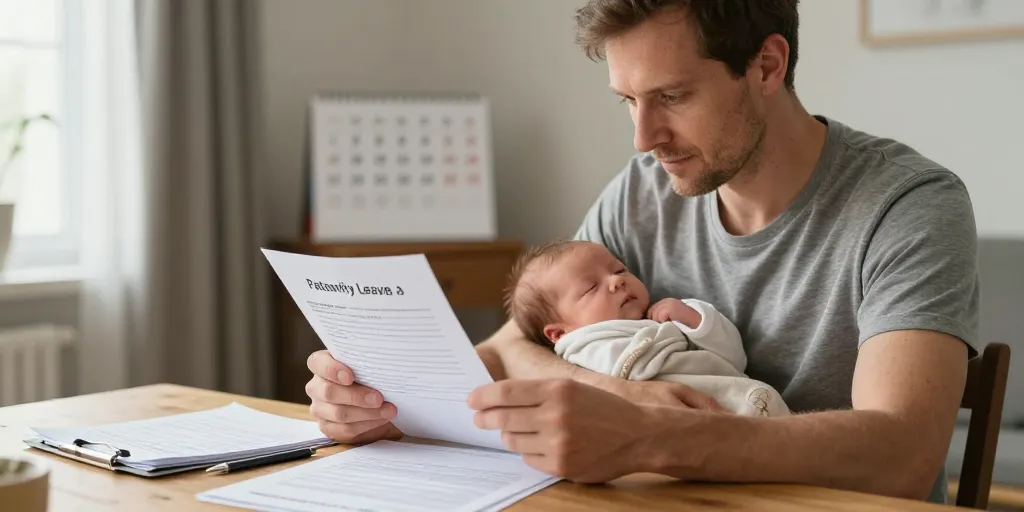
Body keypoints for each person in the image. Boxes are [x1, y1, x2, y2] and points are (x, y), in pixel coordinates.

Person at [304, 0, 977, 504]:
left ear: (767, 65)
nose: (643, 137)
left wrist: (650, 434)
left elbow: (904, 454)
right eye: (628, 100)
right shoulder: (644, 189)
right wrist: (385, 407)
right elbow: (513, 345)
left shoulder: (909, 205)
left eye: (672, 97)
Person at [505, 238, 790, 417]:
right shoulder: (584, 348)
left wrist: (692, 318)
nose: (617, 281)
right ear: (559, 332)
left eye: (618, 270)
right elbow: (625, 376)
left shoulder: (666, 317)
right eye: (592, 287)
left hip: (742, 399)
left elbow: (734, 357)